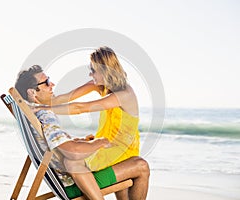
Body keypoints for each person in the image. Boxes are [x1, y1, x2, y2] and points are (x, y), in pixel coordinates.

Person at [16, 63, 150, 200]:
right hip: (75, 182)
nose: (52, 84)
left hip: (67, 177)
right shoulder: (45, 115)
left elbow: (59, 145)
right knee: (141, 165)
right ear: (32, 92)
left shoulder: (34, 112)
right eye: (47, 82)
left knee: (122, 159)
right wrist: (99, 142)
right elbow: (72, 153)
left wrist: (82, 141)